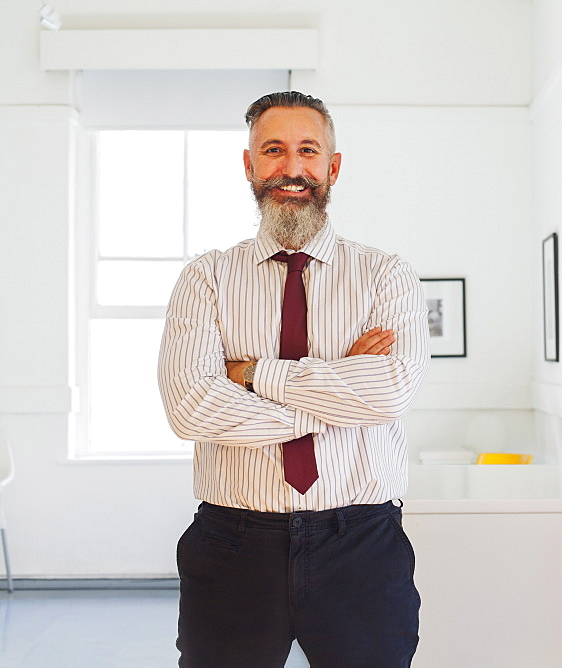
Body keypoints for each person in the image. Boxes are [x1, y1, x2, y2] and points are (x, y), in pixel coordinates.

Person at [157, 91, 429, 667]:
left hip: (362, 544)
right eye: (273, 149)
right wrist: (340, 388)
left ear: (332, 166)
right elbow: (190, 409)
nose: (291, 167)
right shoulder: (205, 278)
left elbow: (390, 393)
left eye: (308, 149)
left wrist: (251, 375)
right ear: (250, 165)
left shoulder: (386, 275)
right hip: (233, 544)